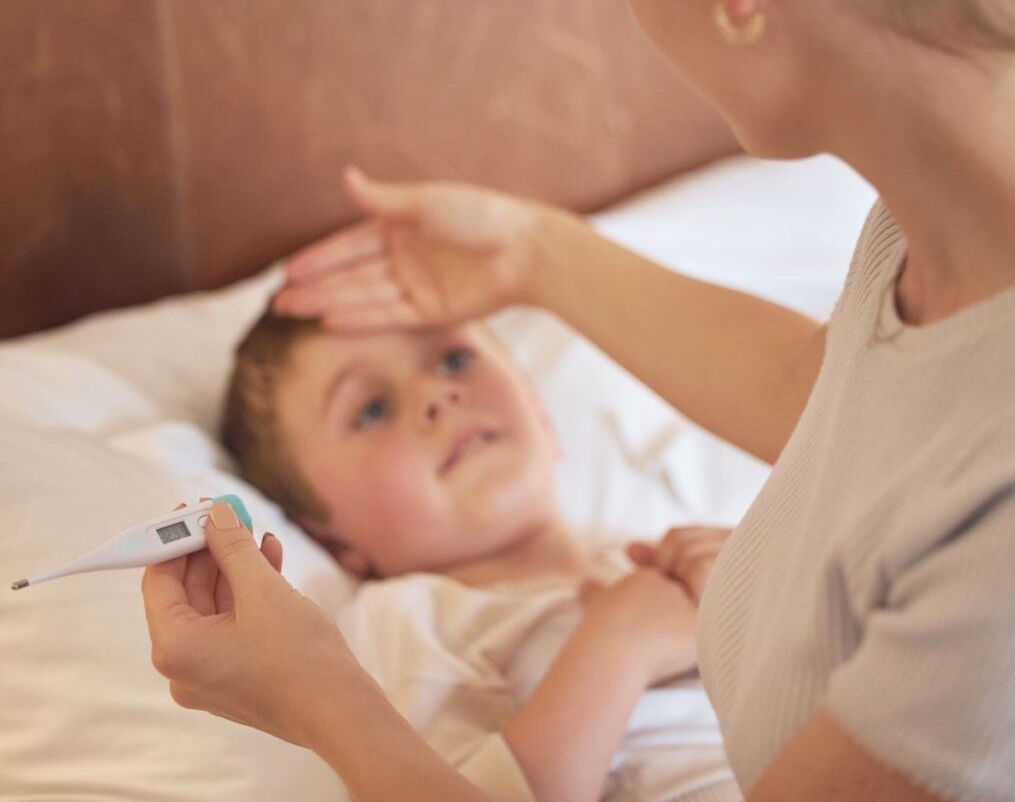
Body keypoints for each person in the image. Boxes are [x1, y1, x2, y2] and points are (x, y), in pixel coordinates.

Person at [142, 0, 1015, 800]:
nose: (438, 393)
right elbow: (844, 401)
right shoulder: (937, 227)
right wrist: (533, 252)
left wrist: (314, 698)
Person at [210, 306, 738, 802]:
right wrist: (618, 649)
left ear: (540, 414)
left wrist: (754, 576)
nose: (438, 393)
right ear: (334, 542)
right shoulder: (407, 621)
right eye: (371, 410)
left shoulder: (641, 553)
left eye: (455, 360)